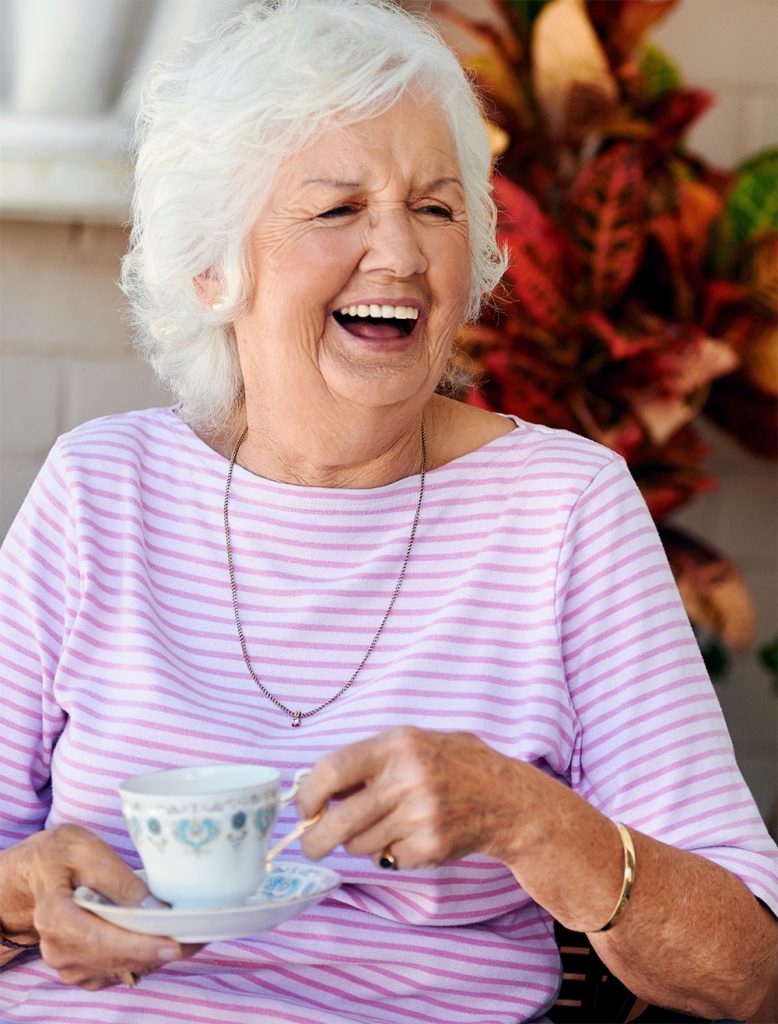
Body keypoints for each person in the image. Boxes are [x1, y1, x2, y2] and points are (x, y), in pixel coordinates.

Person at [0, 1, 775, 1021]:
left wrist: (530, 820)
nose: (401, 255)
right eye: (337, 209)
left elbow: (748, 975)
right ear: (211, 264)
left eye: (436, 208)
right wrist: (24, 894)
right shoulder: (99, 490)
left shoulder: (560, 510)